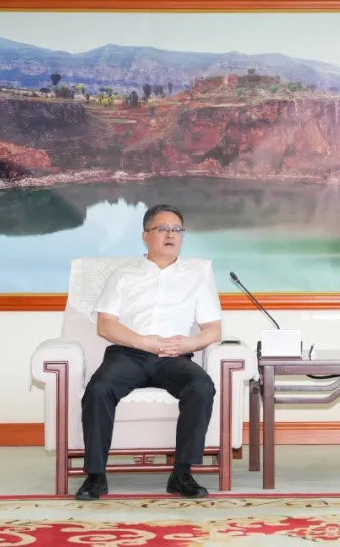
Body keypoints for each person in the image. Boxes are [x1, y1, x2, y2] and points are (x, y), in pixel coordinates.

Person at [75, 203, 223, 500]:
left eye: (177, 230)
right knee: (99, 388)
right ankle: (95, 476)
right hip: (128, 353)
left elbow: (213, 330)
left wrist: (189, 344)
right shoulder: (123, 275)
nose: (171, 235)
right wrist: (144, 342)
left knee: (201, 386)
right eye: (163, 229)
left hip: (174, 356)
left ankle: (182, 474)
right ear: (145, 235)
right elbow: (106, 325)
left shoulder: (196, 278)